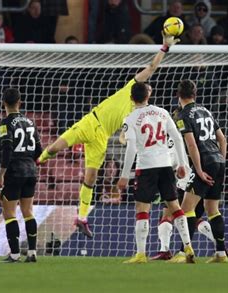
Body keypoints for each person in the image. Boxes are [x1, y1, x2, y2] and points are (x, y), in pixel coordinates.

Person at [37, 33, 180, 238]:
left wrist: (126, 136)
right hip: (90, 123)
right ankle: (39, 160)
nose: (150, 87)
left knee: (91, 177)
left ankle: (82, 218)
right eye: (148, 86)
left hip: (102, 137)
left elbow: (124, 137)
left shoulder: (136, 115)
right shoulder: (129, 88)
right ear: (142, 90)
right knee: (53, 149)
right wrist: (164, 48)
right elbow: (151, 68)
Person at [116, 83, 194, 264]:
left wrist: (124, 174)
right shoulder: (163, 112)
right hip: (166, 166)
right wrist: (182, 163)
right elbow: (176, 137)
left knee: (143, 209)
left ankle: (141, 254)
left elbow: (132, 148)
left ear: (131, 98)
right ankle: (188, 247)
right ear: (148, 96)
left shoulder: (130, 118)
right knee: (175, 207)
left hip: (146, 167)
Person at [176, 80, 228, 263]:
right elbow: (222, 139)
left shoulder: (183, 115)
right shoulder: (206, 110)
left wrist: (198, 169)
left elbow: (191, 144)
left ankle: (184, 253)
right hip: (218, 161)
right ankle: (221, 253)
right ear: (195, 94)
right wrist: (221, 161)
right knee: (212, 209)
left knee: (186, 209)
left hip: (204, 162)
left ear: (178, 95)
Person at [0, 88, 43, 263]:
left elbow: (6, 151)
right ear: (19, 102)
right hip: (30, 170)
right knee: (28, 211)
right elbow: (39, 151)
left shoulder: (5, 124)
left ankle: (14, 254)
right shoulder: (30, 122)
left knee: (9, 214)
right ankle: (32, 252)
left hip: (14, 172)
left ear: (3, 103)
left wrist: (0, 176)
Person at [150, 135, 215, 261]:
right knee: (194, 218)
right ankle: (219, 245)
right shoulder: (190, 134)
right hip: (199, 177)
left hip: (182, 181)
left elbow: (172, 161)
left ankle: (165, 251)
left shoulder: (172, 137)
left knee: (167, 216)